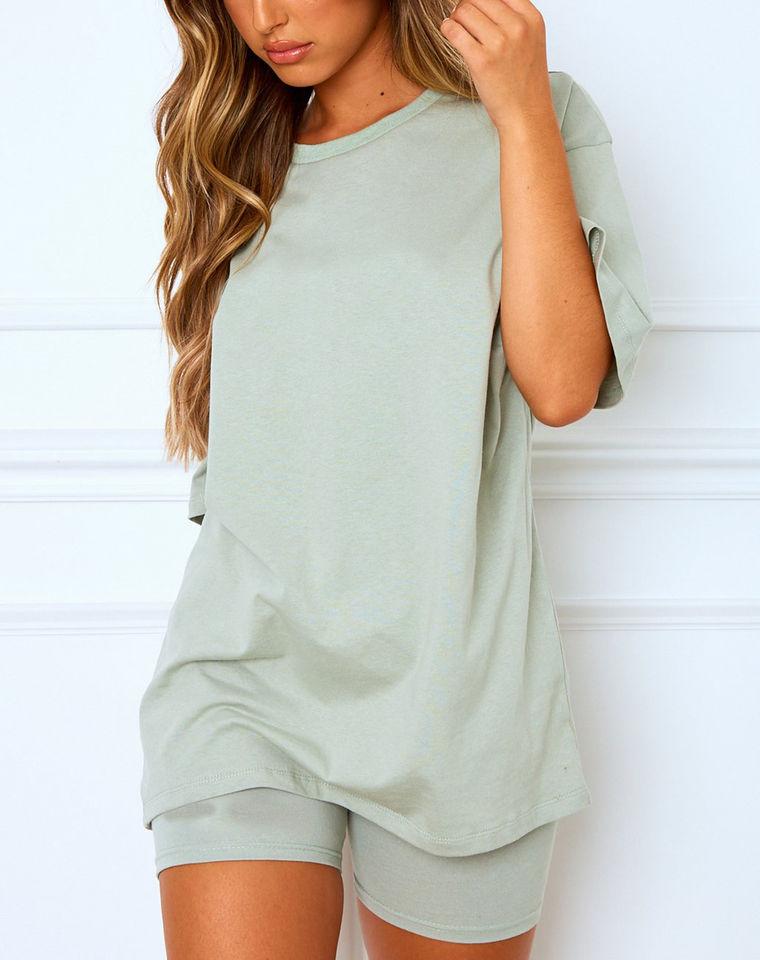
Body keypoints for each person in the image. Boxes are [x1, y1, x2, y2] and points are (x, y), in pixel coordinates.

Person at [138, 0, 654, 957]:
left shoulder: (534, 113)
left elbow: (562, 383)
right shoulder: (241, 151)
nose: (266, 17)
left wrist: (518, 112)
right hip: (241, 674)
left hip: (450, 690)